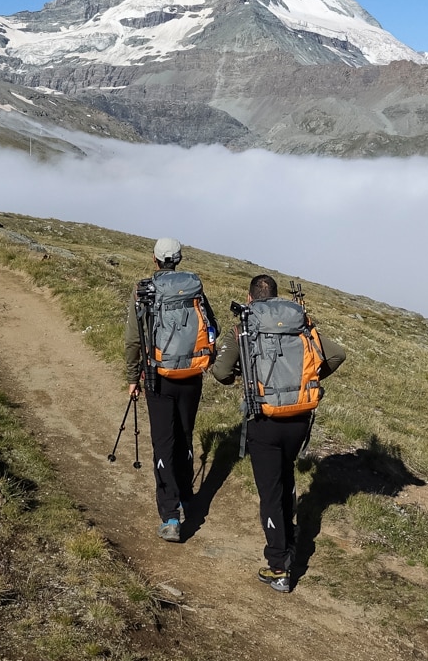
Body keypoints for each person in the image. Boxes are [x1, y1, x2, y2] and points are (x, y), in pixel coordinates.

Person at [211, 273, 346, 592]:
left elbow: (220, 372)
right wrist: (310, 379)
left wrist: (242, 378)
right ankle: (289, 536)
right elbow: (337, 354)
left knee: (270, 491)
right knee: (285, 478)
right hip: (300, 417)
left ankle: (279, 567)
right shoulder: (301, 322)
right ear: (274, 295)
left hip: (265, 420)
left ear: (250, 298)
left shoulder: (243, 327)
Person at [124, 237, 218, 543]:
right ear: (177, 260)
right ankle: (186, 497)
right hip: (192, 374)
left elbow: (134, 339)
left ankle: (169, 517)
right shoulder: (194, 287)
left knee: (163, 442)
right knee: (185, 434)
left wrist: (131, 376)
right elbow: (211, 328)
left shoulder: (145, 290)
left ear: (155, 259)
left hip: (158, 376)